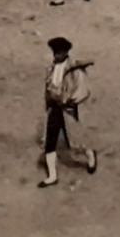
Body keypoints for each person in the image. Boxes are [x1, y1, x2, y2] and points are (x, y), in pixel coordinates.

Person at [39, 36, 96, 188]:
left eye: (60, 52)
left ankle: (90, 155)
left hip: (69, 108)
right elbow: (48, 88)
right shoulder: (50, 68)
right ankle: (52, 176)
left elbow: (82, 90)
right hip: (55, 108)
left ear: (66, 52)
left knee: (75, 141)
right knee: (50, 142)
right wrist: (48, 103)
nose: (57, 55)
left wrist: (70, 101)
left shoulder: (74, 69)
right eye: (55, 52)